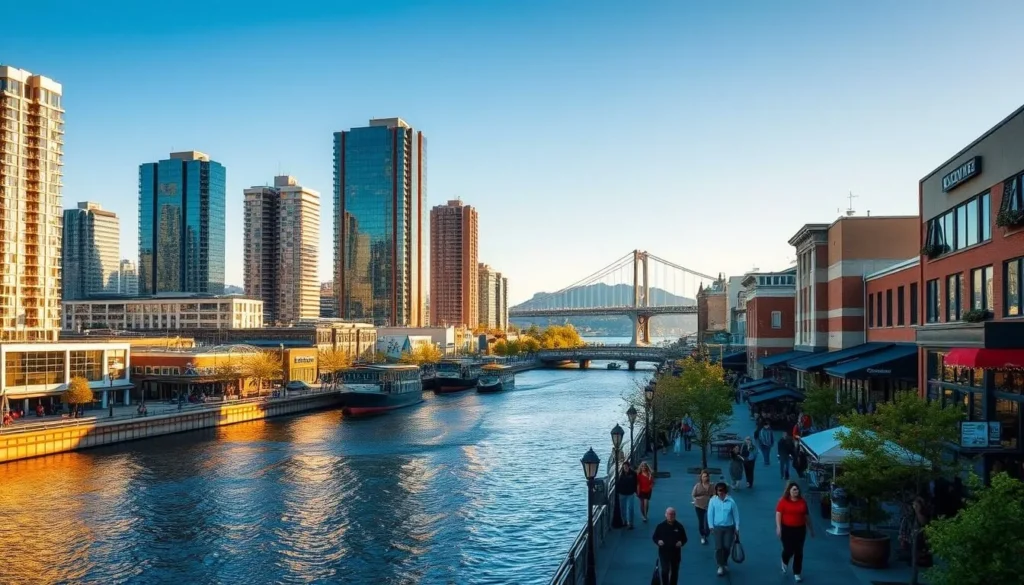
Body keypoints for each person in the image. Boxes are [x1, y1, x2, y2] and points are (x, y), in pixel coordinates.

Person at [776, 481, 814, 582]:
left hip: (800, 529)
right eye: (794, 489)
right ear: (789, 491)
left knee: (799, 551)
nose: (796, 491)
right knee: (788, 549)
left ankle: (797, 572)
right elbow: (778, 513)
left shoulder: (802, 502)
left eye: (797, 489)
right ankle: (784, 560)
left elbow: (806, 516)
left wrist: (811, 529)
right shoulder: (783, 501)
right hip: (787, 529)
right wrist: (778, 527)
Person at [707, 482, 740, 577]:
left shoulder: (731, 501)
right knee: (719, 547)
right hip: (717, 527)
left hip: (729, 528)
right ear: (716, 491)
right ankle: (720, 565)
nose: (720, 492)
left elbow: (736, 515)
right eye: (718, 490)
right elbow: (710, 513)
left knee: (726, 547)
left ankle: (724, 561)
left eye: (722, 490)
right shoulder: (713, 501)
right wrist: (711, 526)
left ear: (725, 491)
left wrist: (737, 528)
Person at [652, 507, 688, 585]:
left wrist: (681, 543)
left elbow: (684, 538)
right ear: (665, 515)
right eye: (669, 514)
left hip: (675, 553)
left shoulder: (679, 526)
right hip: (664, 553)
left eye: (672, 514)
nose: (671, 516)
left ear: (675, 515)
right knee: (665, 570)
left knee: (674, 571)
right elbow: (655, 537)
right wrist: (658, 541)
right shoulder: (661, 526)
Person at [691, 469, 714, 544]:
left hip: (708, 506)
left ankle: (706, 533)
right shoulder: (697, 486)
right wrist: (695, 501)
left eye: (706, 476)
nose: (705, 478)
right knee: (701, 522)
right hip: (699, 507)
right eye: (703, 476)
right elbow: (693, 495)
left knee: (707, 521)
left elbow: (714, 495)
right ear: (701, 477)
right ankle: (703, 536)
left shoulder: (712, 486)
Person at [616, 460, 638, 529]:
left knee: (630, 508)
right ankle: (624, 521)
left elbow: (636, 482)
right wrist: (618, 491)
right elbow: (618, 483)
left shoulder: (633, 474)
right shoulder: (620, 474)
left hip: (630, 493)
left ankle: (630, 523)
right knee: (623, 508)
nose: (625, 468)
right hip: (622, 493)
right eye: (624, 467)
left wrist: (635, 490)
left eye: (626, 467)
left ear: (629, 467)